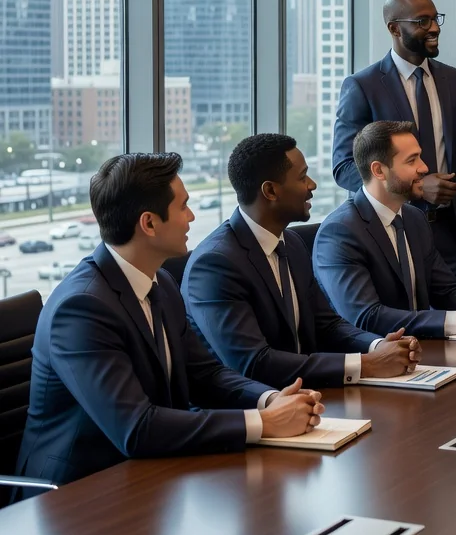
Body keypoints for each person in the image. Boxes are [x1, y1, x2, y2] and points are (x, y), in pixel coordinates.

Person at [16, 153, 324, 487]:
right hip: (74, 494)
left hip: (150, 473)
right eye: (183, 207)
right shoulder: (81, 308)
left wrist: (270, 399)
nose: (192, 217)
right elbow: (136, 428)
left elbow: (204, 375)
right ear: (148, 223)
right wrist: (263, 423)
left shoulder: (160, 282)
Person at [183, 133, 420, 390]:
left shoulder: (292, 244)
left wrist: (378, 345)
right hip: (257, 411)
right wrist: (368, 364)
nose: (312, 185)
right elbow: (254, 363)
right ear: (270, 190)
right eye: (302, 177)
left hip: (310, 394)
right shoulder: (215, 264)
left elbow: (327, 325)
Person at [332, 0, 456, 285]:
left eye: (436, 19)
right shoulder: (363, 86)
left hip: (452, 235)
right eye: (422, 21)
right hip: (390, 231)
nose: (435, 28)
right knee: (406, 327)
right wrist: (413, 188)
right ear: (394, 28)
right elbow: (345, 167)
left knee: (453, 325)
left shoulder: (454, 80)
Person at [315, 121, 456, 338]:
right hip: (376, 359)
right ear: (379, 170)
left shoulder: (414, 217)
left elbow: (446, 289)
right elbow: (367, 316)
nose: (424, 167)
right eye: (412, 160)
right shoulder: (339, 232)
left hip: (420, 351)